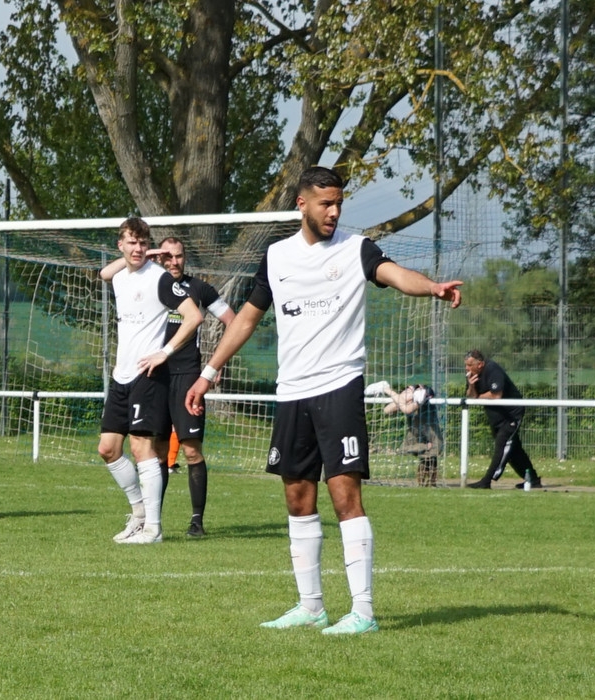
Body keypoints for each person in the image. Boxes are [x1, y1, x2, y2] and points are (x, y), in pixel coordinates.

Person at [186, 166, 463, 635]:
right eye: (326, 203)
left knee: (344, 496)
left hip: (339, 387)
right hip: (292, 392)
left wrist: (432, 287)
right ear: (302, 204)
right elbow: (247, 319)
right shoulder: (276, 256)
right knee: (297, 497)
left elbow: (395, 274)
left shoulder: (357, 249)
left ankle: (363, 612)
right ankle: (311, 606)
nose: (334, 212)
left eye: (338, 204)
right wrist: (208, 373)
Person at [96, 217, 203, 544]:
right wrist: (141, 254)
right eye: (132, 242)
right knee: (108, 449)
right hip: (121, 375)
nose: (138, 249)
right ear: (121, 245)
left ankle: (153, 529)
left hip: (149, 375)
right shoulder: (119, 277)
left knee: (142, 448)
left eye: (143, 243)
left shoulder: (160, 279)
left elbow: (194, 316)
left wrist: (165, 352)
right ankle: (139, 513)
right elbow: (104, 273)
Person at [157, 236, 236, 537]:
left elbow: (233, 321)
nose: (174, 262)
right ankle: (151, 520)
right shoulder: (152, 285)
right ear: (159, 258)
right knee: (156, 452)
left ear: (185, 258)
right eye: (168, 257)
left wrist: (217, 363)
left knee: (191, 451)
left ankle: (196, 522)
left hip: (188, 376)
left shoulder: (200, 289)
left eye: (178, 256)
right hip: (155, 376)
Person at [463, 350, 541, 489]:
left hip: (511, 414)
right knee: (514, 451)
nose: (467, 368)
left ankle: (486, 480)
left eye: (469, 365)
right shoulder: (471, 375)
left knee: (502, 445)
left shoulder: (493, 369)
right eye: (466, 365)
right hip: (496, 417)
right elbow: (471, 395)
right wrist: (471, 385)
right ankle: (533, 479)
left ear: (480, 364)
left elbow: (496, 395)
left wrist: (478, 397)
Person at [370, 381, 443, 486]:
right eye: (404, 391)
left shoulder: (422, 397)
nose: (404, 392)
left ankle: (431, 481)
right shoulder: (405, 402)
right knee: (403, 450)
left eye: (408, 390)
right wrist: (399, 399)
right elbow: (386, 410)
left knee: (429, 458)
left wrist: (388, 390)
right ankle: (425, 453)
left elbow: (407, 410)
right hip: (416, 439)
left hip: (433, 440)